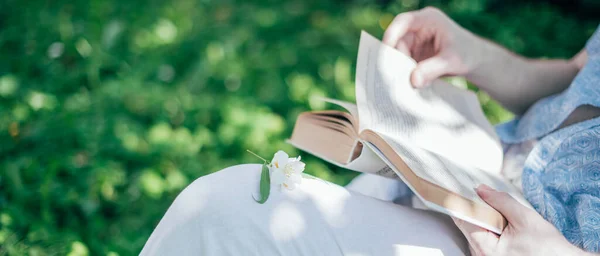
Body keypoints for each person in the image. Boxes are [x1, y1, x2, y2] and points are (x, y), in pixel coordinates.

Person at [140, 7, 599, 256]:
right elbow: (579, 80)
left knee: (225, 211)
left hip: (513, 245)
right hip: (485, 177)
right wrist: (478, 57)